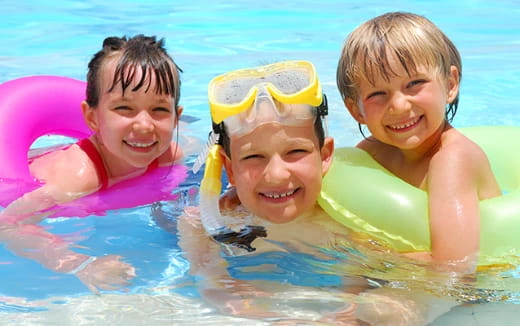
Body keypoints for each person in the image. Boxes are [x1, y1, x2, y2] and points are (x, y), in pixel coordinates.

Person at [176, 60, 452, 325]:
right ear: (230, 169)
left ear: (325, 156)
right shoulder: (204, 226)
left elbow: (378, 291)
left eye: (295, 152)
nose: (276, 174)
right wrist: (263, 315)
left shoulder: (348, 223)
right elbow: (213, 287)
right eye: (253, 157)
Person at [0, 34, 184, 292]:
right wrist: (80, 264)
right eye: (124, 108)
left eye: (159, 110)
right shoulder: (78, 177)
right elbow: (11, 224)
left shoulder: (170, 156)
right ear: (92, 117)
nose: (144, 125)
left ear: (176, 118)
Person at [336, 12, 501, 272]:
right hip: (409, 276)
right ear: (356, 111)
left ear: (450, 84)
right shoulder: (372, 154)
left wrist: (375, 256)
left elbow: (455, 266)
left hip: (474, 294)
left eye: (414, 84)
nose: (399, 105)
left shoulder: (452, 160)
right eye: (378, 94)